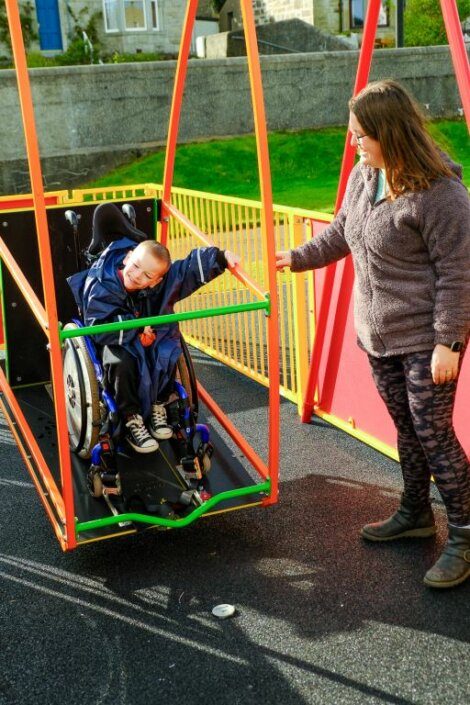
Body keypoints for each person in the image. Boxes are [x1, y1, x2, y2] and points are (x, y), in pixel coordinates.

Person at [275, 80, 470, 589]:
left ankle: (466, 535)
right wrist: (296, 258)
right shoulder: (366, 176)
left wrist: (449, 342)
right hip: (378, 334)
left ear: (390, 133)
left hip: (428, 339)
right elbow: (342, 232)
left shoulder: (441, 193)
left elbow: (458, 273)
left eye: (361, 134)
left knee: (434, 433)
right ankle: (415, 513)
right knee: (406, 429)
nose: (353, 143)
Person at [68, 209, 239, 455]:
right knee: (122, 361)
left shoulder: (159, 283)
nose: (136, 275)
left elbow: (184, 272)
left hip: (142, 334)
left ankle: (159, 401)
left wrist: (221, 258)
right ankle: (130, 417)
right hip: (114, 339)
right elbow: (99, 326)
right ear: (127, 258)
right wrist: (135, 331)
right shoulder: (101, 283)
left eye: (146, 275)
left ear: (155, 281)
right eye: (135, 267)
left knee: (167, 345)